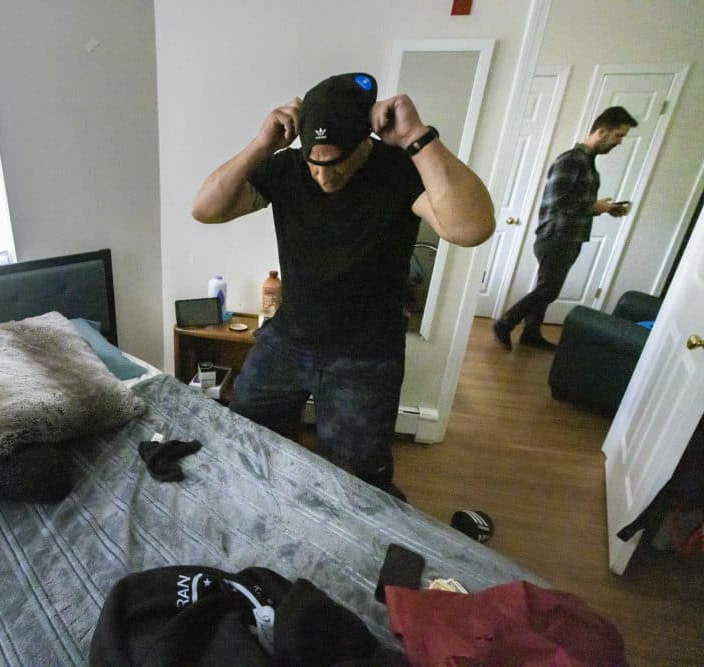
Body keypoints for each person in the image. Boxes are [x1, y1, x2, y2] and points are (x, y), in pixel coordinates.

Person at [190, 72, 494, 498]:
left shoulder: (399, 171)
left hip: (366, 357)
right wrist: (262, 144)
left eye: (335, 163)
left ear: (365, 140)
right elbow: (204, 209)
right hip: (287, 342)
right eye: (313, 162)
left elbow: (472, 227)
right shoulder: (286, 169)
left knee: (358, 485)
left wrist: (417, 136)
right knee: (246, 445)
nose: (322, 177)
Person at [493, 106, 639, 351]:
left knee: (545, 287)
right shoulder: (572, 160)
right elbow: (561, 200)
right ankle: (505, 323)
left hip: (568, 237)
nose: (620, 142)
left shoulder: (587, 162)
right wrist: (597, 205)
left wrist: (606, 208)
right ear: (601, 131)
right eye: (618, 135)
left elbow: (576, 201)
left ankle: (531, 333)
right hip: (557, 236)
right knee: (549, 290)